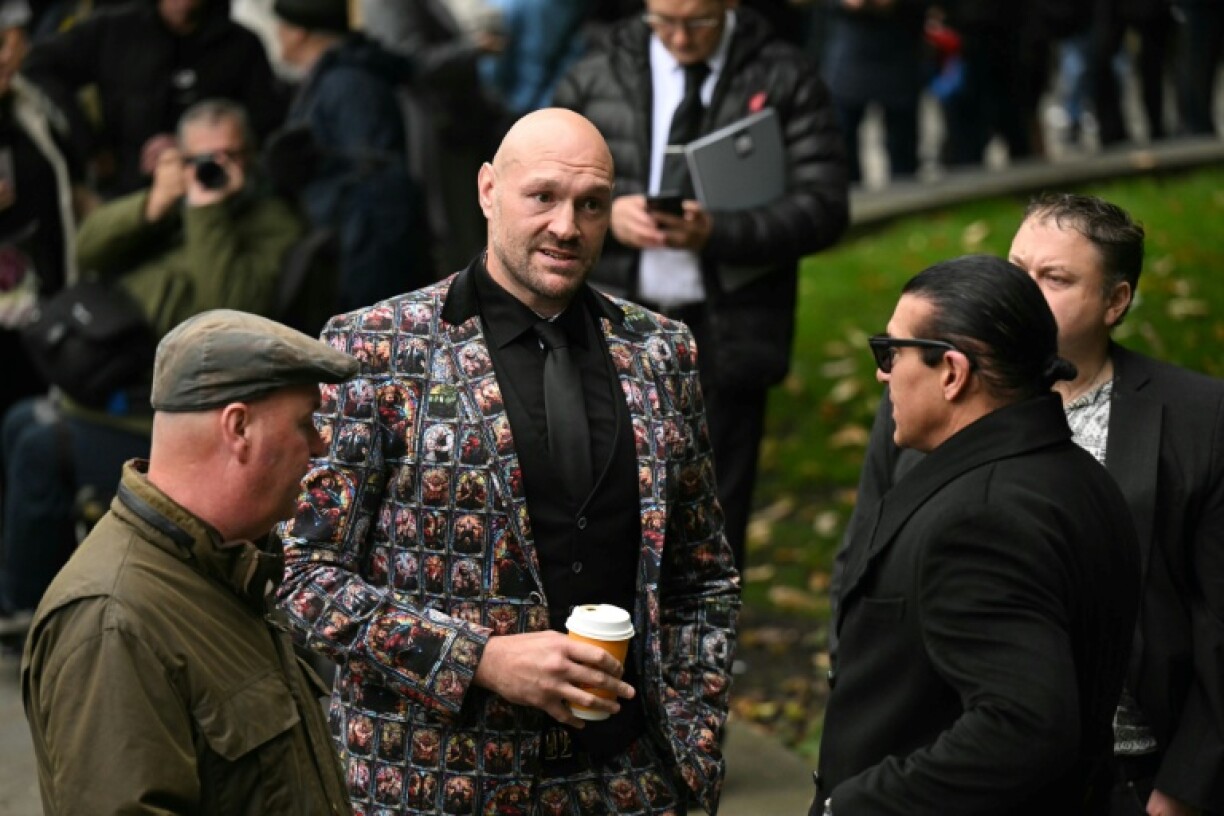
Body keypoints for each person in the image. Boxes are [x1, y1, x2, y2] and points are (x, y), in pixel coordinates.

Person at [278, 107, 740, 814]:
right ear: (489, 190)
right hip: (435, 786)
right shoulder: (375, 347)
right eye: (544, 196)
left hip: (630, 782)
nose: (568, 226)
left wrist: (696, 743)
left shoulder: (660, 351)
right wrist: (478, 659)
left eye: (591, 204)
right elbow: (302, 575)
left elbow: (702, 577)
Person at [834, 194, 1224, 815]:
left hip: (1131, 774)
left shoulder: (1198, 419)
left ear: (1115, 302)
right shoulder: (918, 407)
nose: (1027, 292)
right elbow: (864, 567)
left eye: (1056, 278)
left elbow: (1217, 623)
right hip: (941, 765)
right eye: (1018, 270)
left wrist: (1184, 788)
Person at [817, 254, 1140, 815]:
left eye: (891, 352)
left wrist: (853, 804)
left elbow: (1023, 727)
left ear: (952, 372)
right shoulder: (1076, 476)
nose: (882, 372)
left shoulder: (981, 519)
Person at [21, 309, 359, 814]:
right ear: (238, 428)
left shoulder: (224, 571)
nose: (319, 444)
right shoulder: (114, 621)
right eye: (305, 423)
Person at [552, 0, 849, 571]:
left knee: (713, 510)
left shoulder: (783, 74)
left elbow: (825, 206)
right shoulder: (599, 69)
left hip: (727, 334)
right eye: (664, 22)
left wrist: (718, 231)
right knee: (605, 500)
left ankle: (706, 649)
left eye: (699, 22)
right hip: (615, 324)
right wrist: (606, 216)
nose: (681, 38)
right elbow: (547, 181)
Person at [0, 97, 301, 622]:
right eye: (201, 157)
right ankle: (42, 586)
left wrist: (209, 213)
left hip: (173, 418)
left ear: (250, 158)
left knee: (40, 444)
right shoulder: (170, 205)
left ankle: (26, 606)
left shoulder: (272, 225)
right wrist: (153, 204)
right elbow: (89, 250)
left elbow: (228, 312)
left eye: (229, 155)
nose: (214, 167)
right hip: (115, 385)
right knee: (19, 420)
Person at [21, 0, 284, 197]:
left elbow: (265, 125)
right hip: (126, 191)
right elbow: (37, 67)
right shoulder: (114, 29)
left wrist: (192, 146)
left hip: (215, 192)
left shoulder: (242, 45)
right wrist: (88, 144)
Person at [272, 0, 436, 311]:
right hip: (353, 241)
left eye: (281, 27)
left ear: (298, 34)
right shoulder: (335, 79)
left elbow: (377, 184)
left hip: (364, 254)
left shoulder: (347, 84)